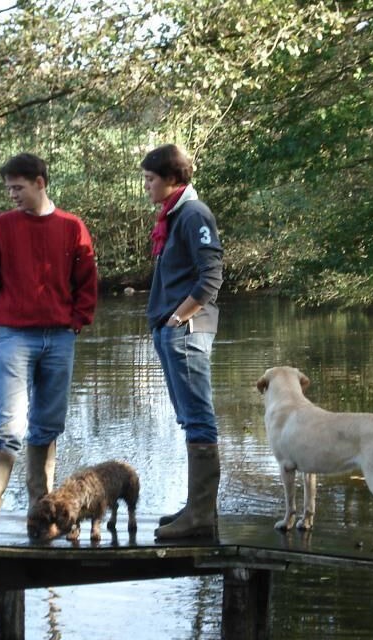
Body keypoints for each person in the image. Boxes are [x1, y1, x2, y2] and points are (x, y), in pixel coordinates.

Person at [0, 153, 98, 543]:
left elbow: (87, 280)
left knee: (46, 426)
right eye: (8, 188)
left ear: (40, 183)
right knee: (6, 428)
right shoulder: (2, 228)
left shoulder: (72, 227)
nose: (12, 195)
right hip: (15, 336)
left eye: (18, 187)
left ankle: (39, 515)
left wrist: (77, 321)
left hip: (60, 337)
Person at [141, 144, 224, 540]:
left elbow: (211, 277)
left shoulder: (193, 214)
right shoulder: (173, 217)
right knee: (188, 418)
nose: (146, 186)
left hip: (186, 330)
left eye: (150, 179)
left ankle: (201, 517)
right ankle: (196, 508)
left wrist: (178, 317)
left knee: (197, 417)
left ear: (173, 179)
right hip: (172, 329)